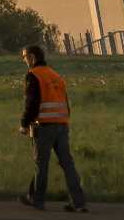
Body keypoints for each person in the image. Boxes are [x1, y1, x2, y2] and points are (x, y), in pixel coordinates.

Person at [17, 43, 86, 211]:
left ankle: (38, 200)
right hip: (62, 125)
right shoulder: (55, 75)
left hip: (44, 126)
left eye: (24, 57)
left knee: (41, 165)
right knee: (67, 164)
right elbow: (66, 103)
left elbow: (32, 103)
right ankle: (78, 203)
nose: (24, 60)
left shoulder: (33, 75)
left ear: (32, 57)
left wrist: (24, 124)